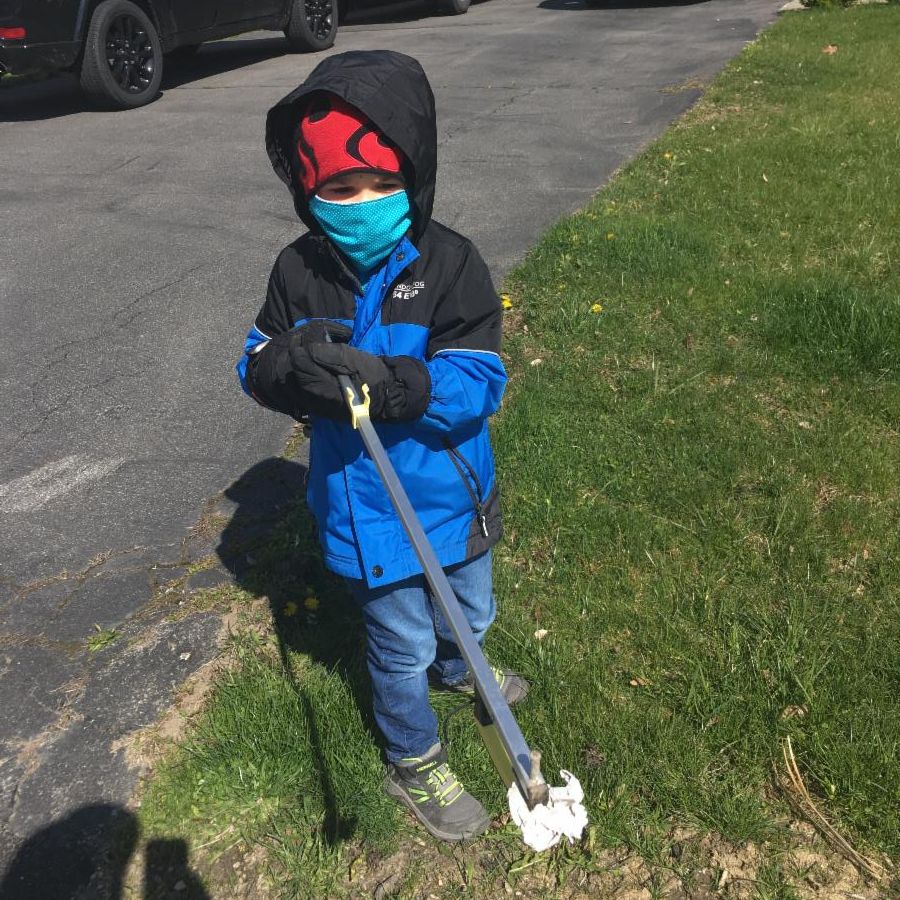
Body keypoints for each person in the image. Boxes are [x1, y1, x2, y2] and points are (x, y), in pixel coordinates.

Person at [236, 50, 527, 842]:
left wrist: (401, 386)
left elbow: (480, 379)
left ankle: (461, 664)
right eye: (339, 190)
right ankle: (413, 758)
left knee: (472, 607)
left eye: (378, 183)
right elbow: (253, 361)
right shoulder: (297, 272)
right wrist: (287, 369)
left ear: (413, 175)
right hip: (368, 516)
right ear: (308, 191)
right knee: (398, 645)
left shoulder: (452, 265)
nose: (361, 204)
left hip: (451, 495)